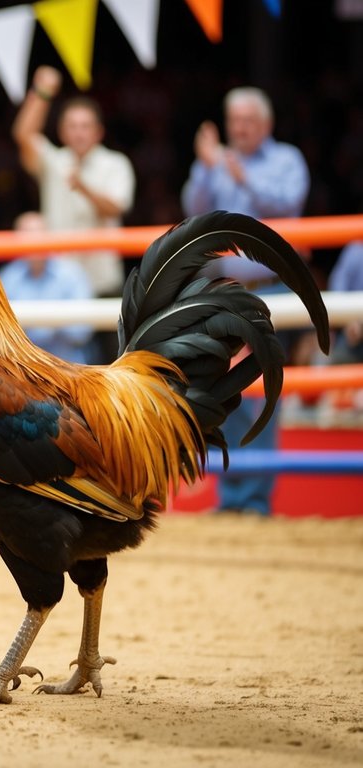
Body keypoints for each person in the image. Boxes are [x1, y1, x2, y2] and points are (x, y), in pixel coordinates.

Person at [181, 86, 310, 517]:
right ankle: (231, 498)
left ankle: (255, 500)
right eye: (234, 121)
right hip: (224, 292)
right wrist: (204, 169)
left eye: (247, 121)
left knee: (259, 393)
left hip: (271, 290)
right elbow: (192, 212)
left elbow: (289, 204)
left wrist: (242, 179)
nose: (239, 128)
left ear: (265, 124)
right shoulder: (217, 163)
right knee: (222, 389)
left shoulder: (286, 160)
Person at [13, 65, 135, 361]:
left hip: (102, 283)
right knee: (61, 371)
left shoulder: (115, 163)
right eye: (72, 126)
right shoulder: (56, 161)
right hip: (61, 286)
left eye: (85, 126)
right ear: (62, 131)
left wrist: (83, 188)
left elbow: (118, 206)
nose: (79, 132)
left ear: (99, 131)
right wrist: (42, 91)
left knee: (112, 368)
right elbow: (24, 134)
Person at [0, 212, 97, 364]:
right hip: (23, 370)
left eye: (38, 235)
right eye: (27, 236)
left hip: (70, 368)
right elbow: (1, 335)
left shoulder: (72, 274)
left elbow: (82, 332)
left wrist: (36, 325)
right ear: (16, 241)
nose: (34, 242)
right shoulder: (8, 278)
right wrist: (57, 321)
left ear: (49, 236)